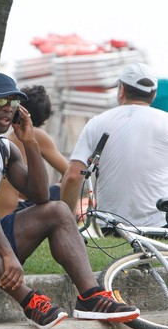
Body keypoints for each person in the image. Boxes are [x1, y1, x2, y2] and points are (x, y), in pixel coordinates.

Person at [0, 72, 139, 329]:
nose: (8, 108)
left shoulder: (5, 148)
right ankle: (30, 301)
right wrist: (7, 254)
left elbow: (40, 196)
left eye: (14, 103)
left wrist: (30, 142)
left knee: (57, 210)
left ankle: (91, 297)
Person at [61, 62, 168, 228]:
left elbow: (73, 176)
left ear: (122, 90)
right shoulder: (166, 122)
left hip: (111, 228)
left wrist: (66, 224)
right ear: (153, 94)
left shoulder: (97, 122)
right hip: (159, 229)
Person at [0, 85, 69, 218]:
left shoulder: (10, 135)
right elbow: (69, 172)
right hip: (13, 212)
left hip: (5, 209)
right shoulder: (36, 135)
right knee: (61, 187)